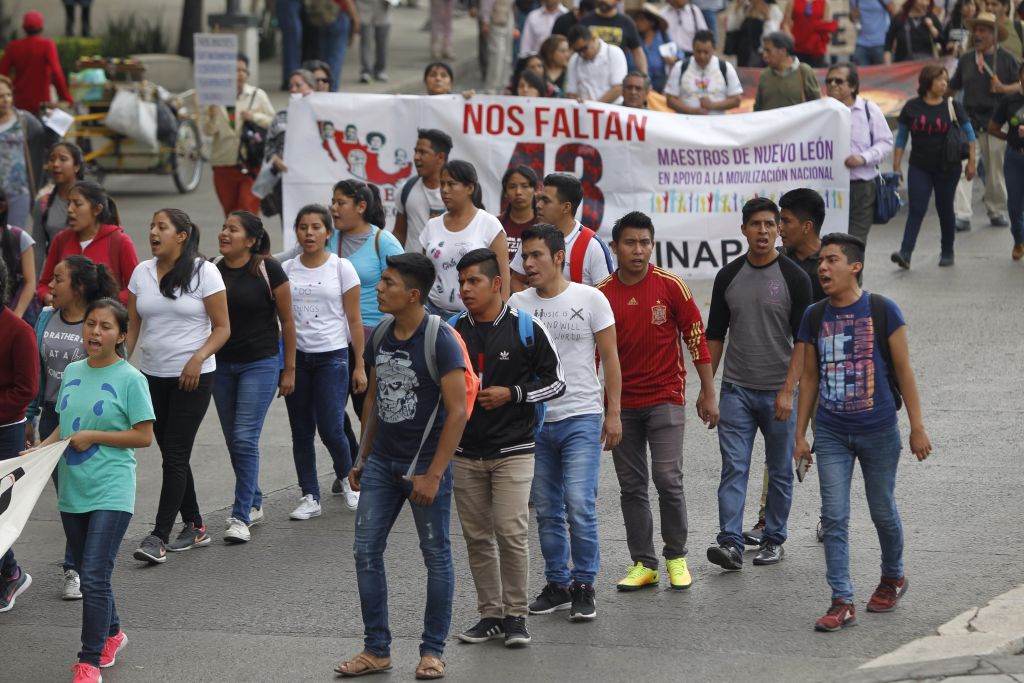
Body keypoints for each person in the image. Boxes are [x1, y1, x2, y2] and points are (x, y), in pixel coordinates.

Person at [334, 253, 468, 680]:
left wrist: (433, 475)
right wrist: (362, 456)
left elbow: (458, 411)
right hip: (380, 464)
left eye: (388, 282)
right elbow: (372, 400)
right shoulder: (381, 335)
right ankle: (377, 649)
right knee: (365, 551)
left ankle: (432, 651)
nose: (379, 288)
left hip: (424, 466)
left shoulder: (440, 339)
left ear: (412, 294)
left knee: (436, 555)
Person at [793, 233, 932, 632]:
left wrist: (917, 428)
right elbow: (809, 378)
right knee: (834, 517)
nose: (822, 267)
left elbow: (904, 372)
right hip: (832, 433)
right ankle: (842, 600)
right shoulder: (814, 316)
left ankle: (893, 577)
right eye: (820, 261)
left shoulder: (882, 310)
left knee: (882, 510)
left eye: (831, 260)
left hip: (878, 430)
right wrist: (800, 436)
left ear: (855, 266)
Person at [27, 298, 155, 682]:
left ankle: (89, 661)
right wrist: (38, 450)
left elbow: (144, 436)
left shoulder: (131, 379)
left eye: (105, 326)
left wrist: (93, 436)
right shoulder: (72, 371)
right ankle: (112, 633)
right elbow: (65, 425)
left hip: (112, 489)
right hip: (73, 489)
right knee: (88, 569)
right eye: (91, 324)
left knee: (94, 577)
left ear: (122, 335)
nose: (95, 332)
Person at [596, 212, 717, 593]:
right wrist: (606, 410)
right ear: (615, 247)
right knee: (631, 486)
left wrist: (708, 391)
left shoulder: (671, 286)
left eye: (645, 242)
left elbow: (696, 337)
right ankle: (644, 564)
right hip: (621, 406)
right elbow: (592, 356)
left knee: (667, 479)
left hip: (666, 397)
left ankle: (676, 556)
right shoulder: (601, 294)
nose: (638, 250)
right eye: (630, 243)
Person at [450, 248, 565, 648]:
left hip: (514, 449)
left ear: (496, 283)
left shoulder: (526, 328)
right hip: (465, 453)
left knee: (511, 532)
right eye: (461, 282)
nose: (465, 289)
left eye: (474, 281)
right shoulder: (451, 330)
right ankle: (491, 616)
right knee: (478, 538)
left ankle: (516, 616)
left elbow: (557, 382)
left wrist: (513, 393)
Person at [509, 224, 621, 622]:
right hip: (537, 422)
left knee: (579, 504)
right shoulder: (517, 303)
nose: (528, 263)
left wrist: (613, 412)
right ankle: (558, 584)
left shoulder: (591, 299)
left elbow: (611, 358)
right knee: (547, 509)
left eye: (536, 255)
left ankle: (584, 584)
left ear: (559, 257)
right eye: (525, 256)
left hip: (581, 417)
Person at [704, 197, 812, 572]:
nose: (762, 231)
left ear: (779, 229)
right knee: (734, 467)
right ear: (744, 230)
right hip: (736, 390)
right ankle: (731, 543)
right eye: (755, 224)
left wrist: (788, 390)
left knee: (780, 470)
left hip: (779, 393)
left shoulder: (795, 278)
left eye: (769, 224)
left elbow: (803, 342)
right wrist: (707, 388)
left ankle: (773, 539)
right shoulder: (728, 276)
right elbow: (714, 335)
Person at [129, 209, 230, 563]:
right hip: (151, 376)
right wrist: (118, 366)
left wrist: (197, 358)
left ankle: (158, 536)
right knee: (175, 454)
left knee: (174, 454)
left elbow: (222, 328)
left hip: (193, 378)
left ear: (182, 235)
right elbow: (132, 328)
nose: (153, 232)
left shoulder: (205, 272)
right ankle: (196, 525)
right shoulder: (141, 272)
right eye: (151, 226)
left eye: (162, 227)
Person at [26, 255, 119, 600]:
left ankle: (76, 568)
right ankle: (78, 562)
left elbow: (114, 368)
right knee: (67, 494)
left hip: (88, 419)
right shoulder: (46, 317)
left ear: (78, 287)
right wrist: (31, 415)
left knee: (82, 490)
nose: (50, 285)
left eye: (58, 279)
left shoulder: (97, 323)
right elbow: (37, 370)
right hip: (53, 415)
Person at [212, 211, 296, 543]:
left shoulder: (268, 268)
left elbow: (287, 321)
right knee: (234, 439)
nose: (224, 233)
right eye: (223, 227)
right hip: (221, 365)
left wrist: (289, 368)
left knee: (245, 437)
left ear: (250, 240)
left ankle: (241, 514)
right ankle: (255, 499)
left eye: (232, 229)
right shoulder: (213, 268)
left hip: (260, 363)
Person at [280, 204, 366, 520]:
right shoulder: (287, 269)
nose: (309, 233)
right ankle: (309, 496)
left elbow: (354, 320)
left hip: (333, 356)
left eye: (316, 227)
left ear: (328, 232)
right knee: (301, 430)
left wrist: (359, 365)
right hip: (298, 359)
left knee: (331, 426)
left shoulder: (341, 268)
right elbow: (283, 320)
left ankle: (348, 479)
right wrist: (286, 366)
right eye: (303, 227)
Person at [330, 181, 403, 494]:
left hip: (376, 337)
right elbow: (288, 261)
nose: (333, 208)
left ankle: (378, 467)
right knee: (330, 413)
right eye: (332, 202)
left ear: (361, 206)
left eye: (340, 202)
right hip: (333, 339)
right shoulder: (327, 238)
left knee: (369, 409)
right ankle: (352, 463)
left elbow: (406, 281)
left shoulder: (381, 241)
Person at [891, 64, 977, 268]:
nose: (944, 84)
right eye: (939, 80)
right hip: (919, 166)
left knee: (944, 208)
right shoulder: (912, 107)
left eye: (946, 80)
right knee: (917, 208)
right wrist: (897, 164)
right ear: (927, 81)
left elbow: (970, 135)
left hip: (948, 167)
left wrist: (971, 163)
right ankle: (905, 253)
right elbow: (901, 138)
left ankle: (947, 251)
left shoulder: (953, 106)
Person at [949, 12, 1020, 229]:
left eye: (982, 31)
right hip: (969, 122)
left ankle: (996, 210)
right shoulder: (966, 59)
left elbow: (1021, 85)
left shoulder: (1008, 59)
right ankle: (962, 215)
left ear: (994, 35)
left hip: (996, 122)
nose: (977, 35)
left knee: (995, 172)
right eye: (975, 30)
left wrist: (1003, 88)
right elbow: (953, 86)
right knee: (964, 167)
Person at [419, 160, 510, 317]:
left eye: (451, 184)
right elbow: (422, 273)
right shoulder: (432, 225)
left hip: (477, 316)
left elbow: (504, 277)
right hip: (433, 314)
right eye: (442, 184)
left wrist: (500, 318)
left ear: (470, 188)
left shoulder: (489, 224)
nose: (444, 190)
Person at [0, 257, 39, 613]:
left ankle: (10, 574)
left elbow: (26, 390)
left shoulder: (19, 331)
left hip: (6, 431)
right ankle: (10, 571)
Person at [36, 181, 139, 307]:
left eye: (77, 204)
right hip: (65, 317)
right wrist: (48, 298)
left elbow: (136, 289)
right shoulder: (61, 240)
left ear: (97, 209)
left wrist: (104, 301)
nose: (70, 210)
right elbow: (44, 285)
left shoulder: (120, 241)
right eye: (69, 204)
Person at [826, 63, 895, 244]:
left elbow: (885, 142)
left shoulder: (868, 109)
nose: (832, 84)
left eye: (838, 81)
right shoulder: (821, 112)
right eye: (829, 81)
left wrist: (863, 158)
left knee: (853, 244)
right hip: (829, 188)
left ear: (853, 86)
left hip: (861, 187)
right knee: (830, 242)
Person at [200, 54, 275, 218]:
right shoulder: (213, 98)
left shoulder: (257, 95)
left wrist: (254, 117)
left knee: (247, 211)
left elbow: (273, 122)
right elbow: (208, 131)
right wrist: (212, 115)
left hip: (251, 162)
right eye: (235, 70)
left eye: (243, 70)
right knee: (231, 213)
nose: (240, 74)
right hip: (223, 162)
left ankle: (250, 235)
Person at [510, 173, 613, 290]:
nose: (538, 205)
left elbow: (607, 293)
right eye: (539, 199)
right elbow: (517, 280)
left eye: (545, 201)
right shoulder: (531, 237)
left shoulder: (593, 246)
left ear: (566, 207)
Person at [261, 69, 316, 229]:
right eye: (291, 86)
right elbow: (269, 148)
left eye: (298, 85)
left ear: (311, 88)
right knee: (291, 227)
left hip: (314, 182)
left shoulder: (322, 115)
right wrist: (275, 159)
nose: (293, 89)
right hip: (286, 183)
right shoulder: (280, 116)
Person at [0, 12, 74, 115]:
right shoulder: (47, 45)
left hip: (19, 102)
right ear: (41, 28)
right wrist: (66, 97)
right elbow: (57, 73)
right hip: (42, 103)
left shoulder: (13, 46)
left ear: (24, 28)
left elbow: (2, 74)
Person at [0, 75, 48, 232]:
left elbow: (45, 140)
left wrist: (53, 122)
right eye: (1, 96)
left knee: (15, 237)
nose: (6, 100)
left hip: (18, 191)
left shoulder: (24, 119)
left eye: (8, 95)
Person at [394, 129, 453, 253]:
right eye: (415, 151)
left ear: (440, 157)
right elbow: (399, 233)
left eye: (422, 152)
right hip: (411, 264)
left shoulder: (458, 193)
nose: (416, 157)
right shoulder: (406, 189)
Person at [988, 60, 1024, 260]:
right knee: (1014, 206)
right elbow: (993, 127)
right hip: (1015, 157)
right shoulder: (1009, 101)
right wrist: (1010, 138)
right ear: (1020, 76)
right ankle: (1019, 240)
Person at [32, 141, 85, 274]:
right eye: (51, 159)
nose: (55, 164)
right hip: (57, 277)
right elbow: (38, 248)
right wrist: (33, 282)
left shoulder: (91, 201)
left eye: (63, 159)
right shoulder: (43, 203)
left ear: (76, 166)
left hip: (87, 276)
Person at [665, 29, 744, 114]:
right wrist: (693, 111)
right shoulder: (680, 67)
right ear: (693, 48)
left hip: (717, 121)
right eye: (698, 51)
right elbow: (670, 100)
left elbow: (736, 100)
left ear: (714, 49)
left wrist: (712, 106)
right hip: (686, 121)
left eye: (706, 52)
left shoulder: (726, 68)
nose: (702, 56)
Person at [779, 188, 827, 303]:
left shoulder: (834, 265)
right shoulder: (776, 258)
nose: (779, 227)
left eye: (786, 221)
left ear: (806, 226)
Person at [753, 31, 823, 111]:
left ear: (783, 51)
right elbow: (758, 108)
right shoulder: (765, 75)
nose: (764, 55)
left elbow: (817, 105)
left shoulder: (804, 71)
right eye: (764, 51)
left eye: (768, 51)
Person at [566, 25, 629, 104]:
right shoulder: (575, 59)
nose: (581, 54)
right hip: (585, 108)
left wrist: (595, 106)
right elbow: (571, 93)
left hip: (613, 107)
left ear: (593, 39)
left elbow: (618, 88)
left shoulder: (614, 53)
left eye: (584, 49)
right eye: (577, 51)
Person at [580, 0, 648, 73]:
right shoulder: (586, 21)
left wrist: (644, 75)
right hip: (589, 73)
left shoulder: (626, 22)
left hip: (617, 73)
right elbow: (575, 48)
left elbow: (637, 52)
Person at [1, 189, 38, 321]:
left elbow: (30, 282)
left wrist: (18, 313)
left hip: (14, 310)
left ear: (2, 207)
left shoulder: (20, 237)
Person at [629, 3, 676, 92]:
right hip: (636, 86)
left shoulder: (663, 37)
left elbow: (678, 55)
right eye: (636, 18)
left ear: (652, 22)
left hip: (659, 86)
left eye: (641, 19)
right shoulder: (634, 37)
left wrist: (672, 59)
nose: (637, 22)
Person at [723, 0, 784, 67]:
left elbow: (772, 36)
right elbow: (731, 27)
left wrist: (767, 18)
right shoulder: (746, 8)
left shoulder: (773, 10)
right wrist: (737, 9)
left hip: (760, 54)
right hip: (743, 52)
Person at [479, 0, 516, 94]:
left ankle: (505, 86)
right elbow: (486, 3)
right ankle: (491, 88)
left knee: (507, 57)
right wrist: (485, 20)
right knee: (497, 56)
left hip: (508, 15)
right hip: (496, 17)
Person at [789, 0, 839, 67]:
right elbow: (786, 23)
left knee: (816, 71)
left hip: (816, 47)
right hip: (798, 45)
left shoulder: (824, 3)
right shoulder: (793, 2)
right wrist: (789, 36)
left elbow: (824, 24)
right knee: (798, 70)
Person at [851, 0, 896, 64]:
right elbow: (853, 16)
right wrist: (853, 16)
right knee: (861, 70)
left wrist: (892, 39)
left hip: (881, 43)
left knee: (884, 70)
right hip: (861, 44)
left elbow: (893, 13)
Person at [358, 0, 392, 83]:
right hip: (364, 8)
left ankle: (380, 70)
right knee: (365, 42)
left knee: (382, 43)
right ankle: (366, 71)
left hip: (383, 9)